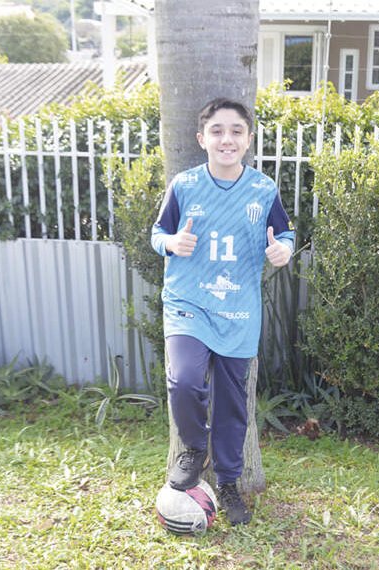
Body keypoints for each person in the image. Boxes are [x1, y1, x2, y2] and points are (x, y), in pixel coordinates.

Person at [150, 97, 295, 526]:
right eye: (217, 131)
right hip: (188, 303)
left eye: (235, 131)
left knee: (234, 405)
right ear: (202, 139)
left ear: (248, 140)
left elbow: (285, 231)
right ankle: (194, 450)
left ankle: (229, 483)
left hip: (238, 311)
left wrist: (282, 249)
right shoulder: (184, 185)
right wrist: (172, 244)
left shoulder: (263, 189)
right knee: (185, 380)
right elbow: (158, 232)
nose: (226, 138)